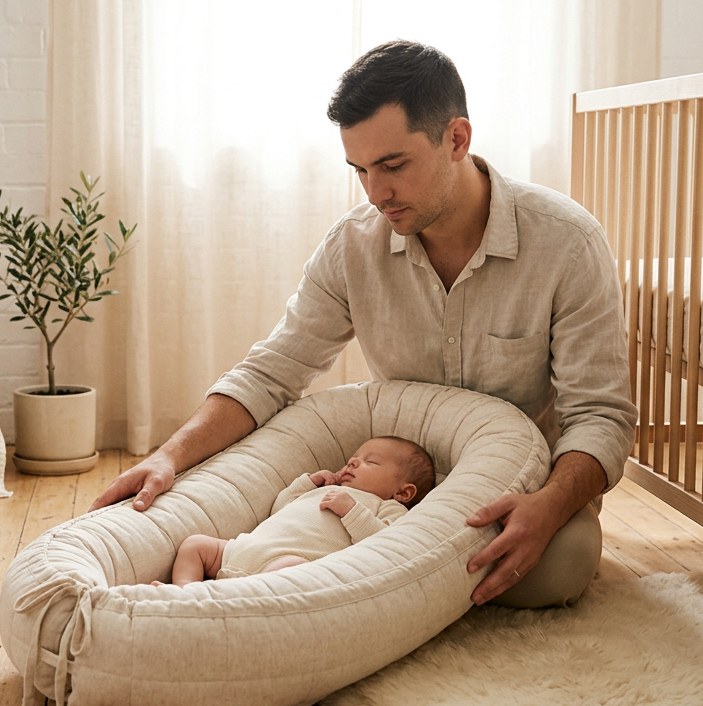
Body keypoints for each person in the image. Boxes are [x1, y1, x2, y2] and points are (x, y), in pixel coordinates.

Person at [92, 40, 636, 608]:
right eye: (360, 171)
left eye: (393, 166)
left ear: (456, 139)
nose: (376, 193)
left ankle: (364, 591)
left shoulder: (567, 242)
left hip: (514, 489)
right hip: (388, 492)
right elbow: (272, 371)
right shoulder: (353, 246)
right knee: (274, 526)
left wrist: (550, 506)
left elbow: (601, 414)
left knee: (559, 569)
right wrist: (169, 456)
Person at [156, 437, 435, 585]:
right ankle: (185, 591)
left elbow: (382, 545)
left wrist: (352, 511)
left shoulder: (386, 507)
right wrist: (306, 483)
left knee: (291, 570)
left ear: (403, 492)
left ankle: (215, 600)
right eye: (354, 458)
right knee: (195, 545)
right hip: (245, 549)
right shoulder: (328, 489)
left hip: (287, 562)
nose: (352, 463)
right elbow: (281, 509)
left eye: (370, 462)